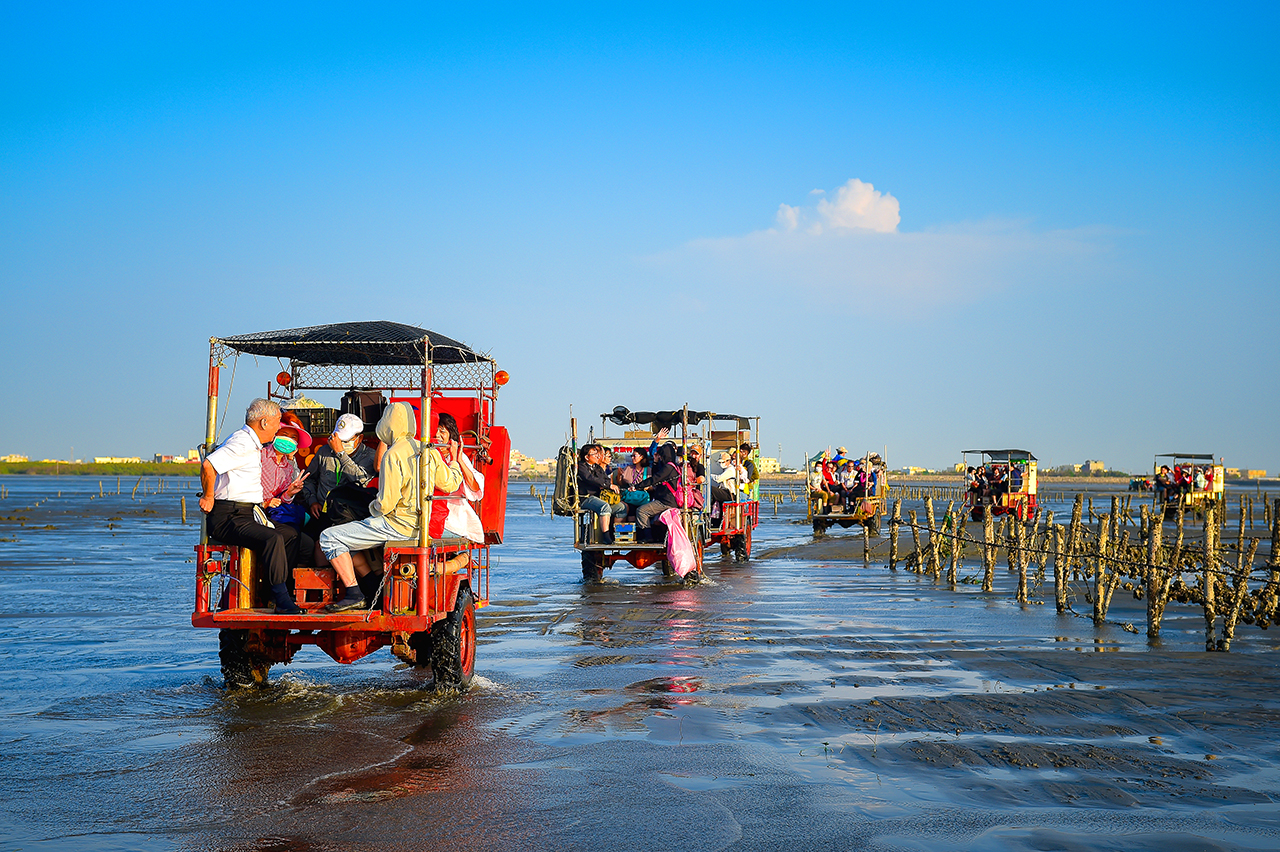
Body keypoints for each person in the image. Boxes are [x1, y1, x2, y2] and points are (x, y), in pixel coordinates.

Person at [319, 401, 463, 612]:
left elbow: (386, 504)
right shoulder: (428, 450)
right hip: (419, 526)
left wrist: (369, 511)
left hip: (396, 525)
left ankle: (354, 592)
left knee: (328, 538)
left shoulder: (393, 454)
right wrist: (455, 462)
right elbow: (450, 483)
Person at [200, 398, 307, 615]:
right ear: (264, 422)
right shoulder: (243, 442)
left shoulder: (253, 444)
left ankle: (275, 591)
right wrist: (208, 496)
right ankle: (281, 599)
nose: (279, 427)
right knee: (272, 537)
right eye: (278, 422)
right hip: (228, 516)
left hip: (247, 513)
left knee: (290, 534)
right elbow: (208, 464)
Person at [302, 413, 378, 552]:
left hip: (350, 516)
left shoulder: (370, 456)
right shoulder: (324, 451)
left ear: (359, 438)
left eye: (346, 440)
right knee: (305, 542)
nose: (340, 444)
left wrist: (341, 454)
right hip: (322, 513)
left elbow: (362, 481)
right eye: (338, 439)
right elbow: (309, 479)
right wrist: (312, 500)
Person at [260, 415, 311, 531]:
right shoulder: (261, 455)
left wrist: (290, 493)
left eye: (293, 437)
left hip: (276, 513)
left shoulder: (289, 464)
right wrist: (266, 503)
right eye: (284, 435)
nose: (288, 440)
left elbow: (285, 498)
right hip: (258, 511)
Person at [577, 444, 626, 541]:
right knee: (605, 507)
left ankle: (616, 535)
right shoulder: (582, 467)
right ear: (587, 457)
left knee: (621, 507)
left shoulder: (597, 467)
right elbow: (590, 479)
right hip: (587, 498)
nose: (597, 456)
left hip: (599, 497)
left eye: (597, 453)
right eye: (594, 454)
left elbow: (605, 479)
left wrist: (606, 484)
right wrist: (606, 485)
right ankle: (606, 537)